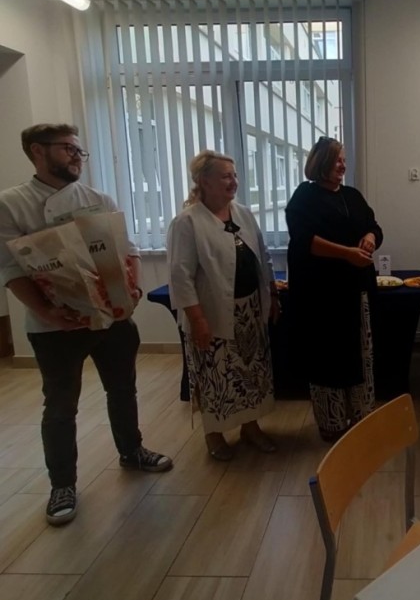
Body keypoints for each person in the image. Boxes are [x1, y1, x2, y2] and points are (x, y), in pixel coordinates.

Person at [0, 124, 172, 527]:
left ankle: (132, 451)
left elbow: (127, 250)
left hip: (112, 319)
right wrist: (48, 313)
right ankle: (62, 484)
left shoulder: (97, 198)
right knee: (61, 406)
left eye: (80, 151)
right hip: (55, 328)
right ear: (37, 151)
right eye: (68, 149)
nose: (77, 157)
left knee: (123, 389)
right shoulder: (11, 204)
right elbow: (10, 270)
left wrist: (132, 289)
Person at [168, 150, 279, 461]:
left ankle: (250, 427)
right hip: (211, 313)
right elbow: (180, 275)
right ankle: (214, 435)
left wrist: (272, 294)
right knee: (215, 376)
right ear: (204, 181)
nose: (234, 181)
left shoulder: (243, 213)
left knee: (251, 373)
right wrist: (198, 320)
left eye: (235, 175)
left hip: (249, 310)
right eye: (225, 176)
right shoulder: (187, 222)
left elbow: (263, 257)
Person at [286, 137, 382, 442]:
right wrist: (347, 254)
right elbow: (304, 241)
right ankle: (333, 422)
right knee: (327, 358)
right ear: (321, 162)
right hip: (321, 296)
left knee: (360, 355)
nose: (342, 165)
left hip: (356, 290)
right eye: (337, 159)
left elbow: (374, 226)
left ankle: (362, 416)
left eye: (343, 159)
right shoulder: (304, 196)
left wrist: (370, 237)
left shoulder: (352, 195)